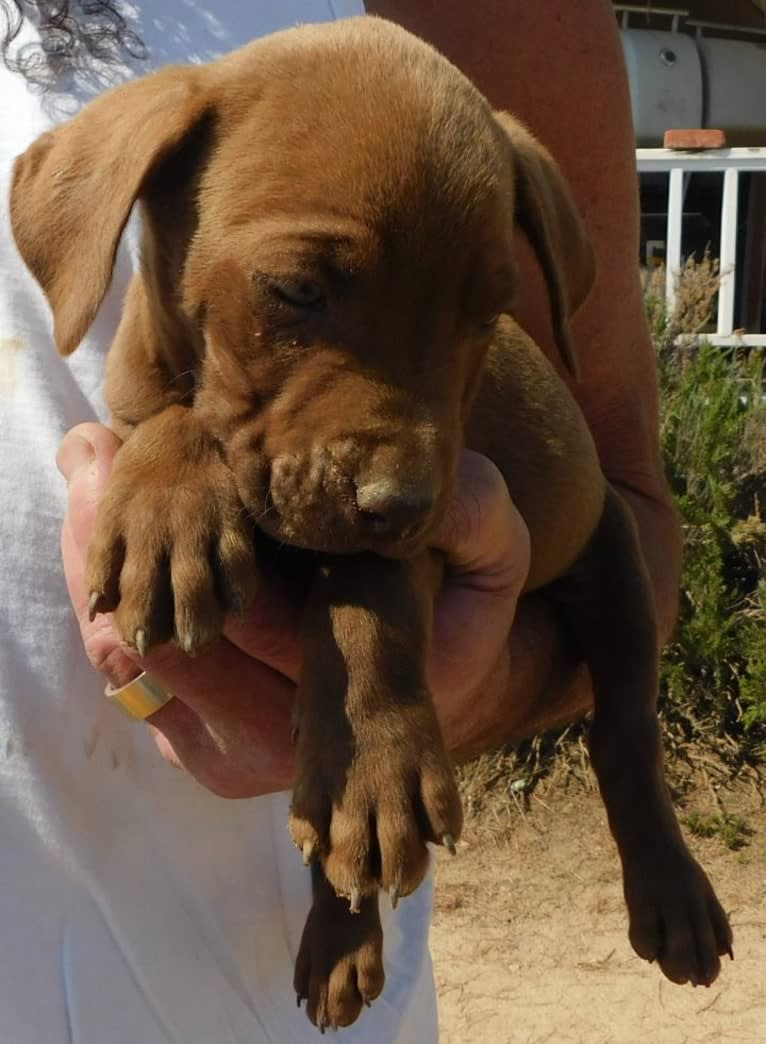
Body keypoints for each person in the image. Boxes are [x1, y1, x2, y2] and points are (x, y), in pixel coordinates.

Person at [0, 1, 681, 1041]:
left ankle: (636, 812)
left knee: (385, 599)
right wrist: (168, 449)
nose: (403, 470)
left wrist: (476, 684)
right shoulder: (182, 165)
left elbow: (624, 511)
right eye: (299, 293)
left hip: (238, 996)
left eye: (476, 317)